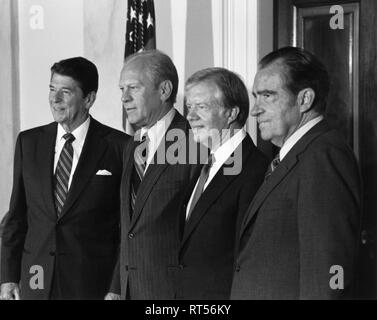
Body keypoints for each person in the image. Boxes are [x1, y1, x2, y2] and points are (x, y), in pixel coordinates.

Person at [231, 46, 362, 299]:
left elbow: (326, 275)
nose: (255, 109)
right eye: (256, 96)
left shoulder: (323, 156)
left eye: (268, 96)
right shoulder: (291, 155)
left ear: (304, 100)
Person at [0, 57, 129, 300]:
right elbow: (17, 216)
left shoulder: (119, 147)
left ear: (89, 99)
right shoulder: (28, 142)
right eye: (51, 89)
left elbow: (125, 229)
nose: (55, 99)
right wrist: (7, 276)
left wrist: (116, 287)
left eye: (65, 92)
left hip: (91, 285)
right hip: (35, 279)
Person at [107, 50, 201, 300]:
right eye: (121, 89)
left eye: (133, 88)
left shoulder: (195, 142)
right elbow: (129, 228)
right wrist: (117, 287)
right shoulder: (133, 145)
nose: (124, 98)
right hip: (129, 289)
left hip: (172, 293)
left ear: (164, 90)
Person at [172, 68, 268, 299]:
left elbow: (250, 259)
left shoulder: (256, 170)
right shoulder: (203, 166)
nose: (190, 116)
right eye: (189, 107)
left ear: (231, 112)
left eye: (201, 107)